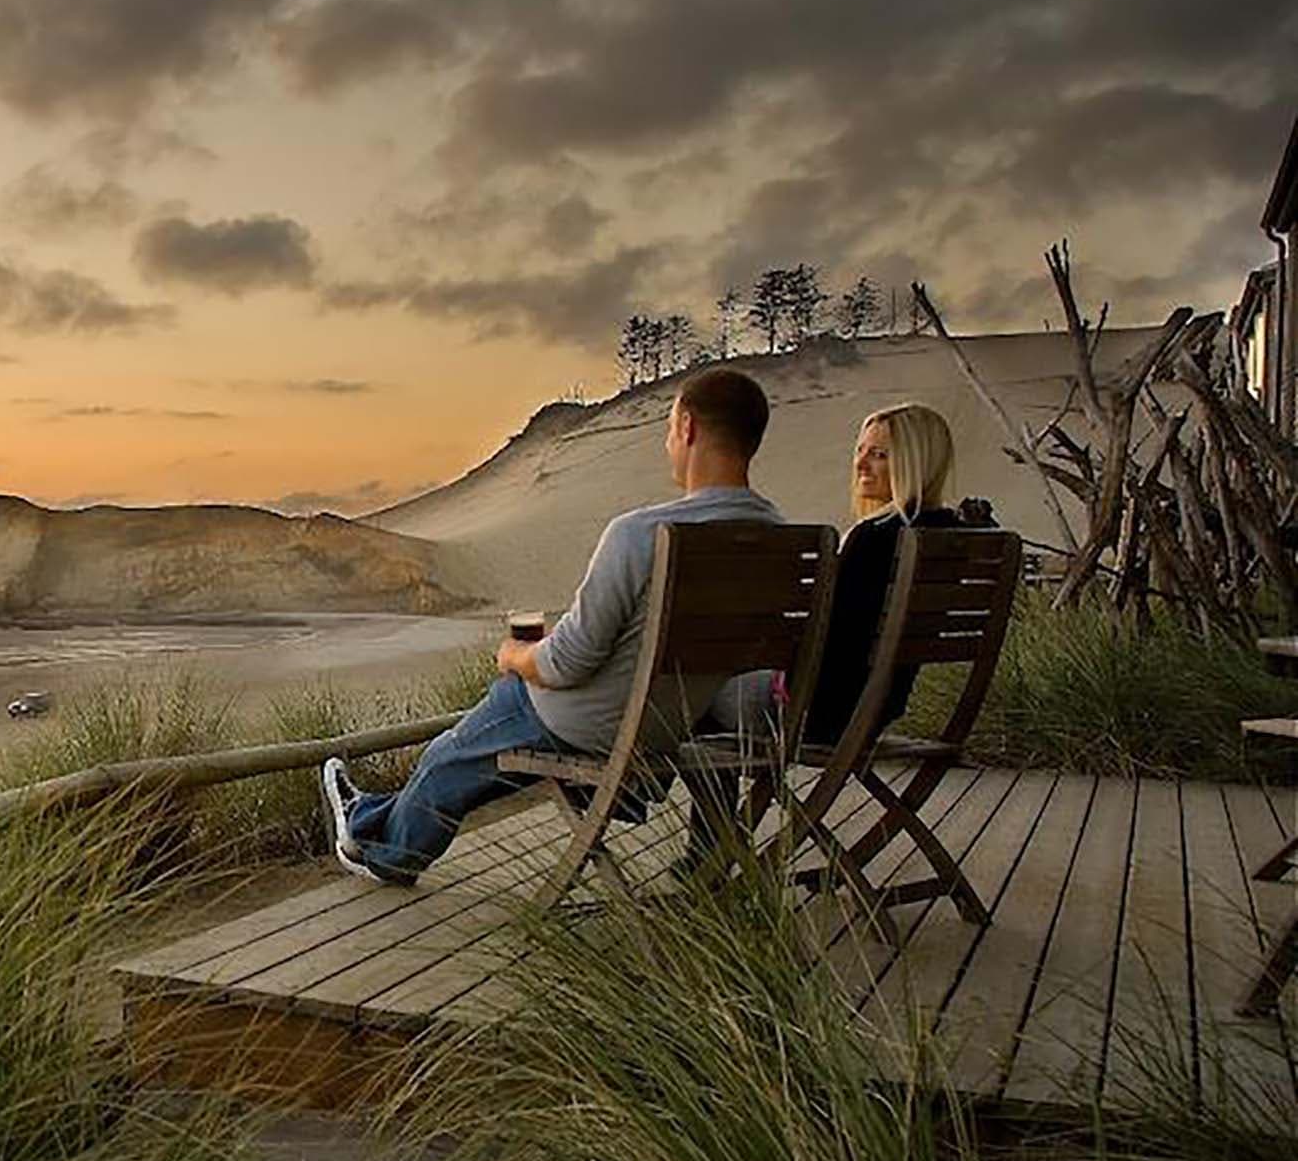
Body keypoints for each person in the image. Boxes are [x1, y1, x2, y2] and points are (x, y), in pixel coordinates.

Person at [321, 367, 786, 884]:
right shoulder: (785, 540)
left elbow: (568, 662)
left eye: (669, 428)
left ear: (687, 427)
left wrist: (516, 657)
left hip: (598, 722)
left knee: (454, 750)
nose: (668, 442)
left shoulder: (642, 534)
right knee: (479, 752)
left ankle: (384, 851)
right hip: (675, 723)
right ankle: (371, 816)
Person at [705, 400, 978, 746]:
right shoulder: (948, 537)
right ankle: (719, 800)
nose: (860, 464)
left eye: (879, 454)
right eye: (860, 451)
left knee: (690, 693)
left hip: (813, 713)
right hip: (875, 712)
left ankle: (654, 800)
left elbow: (831, 640)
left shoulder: (875, 540)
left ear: (915, 463)